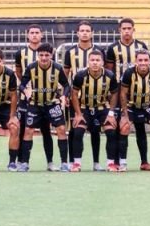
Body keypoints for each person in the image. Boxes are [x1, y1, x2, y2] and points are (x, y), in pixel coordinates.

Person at [18, 43, 71, 172]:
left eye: (46, 55)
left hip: (52, 104)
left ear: (51, 55)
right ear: (38, 55)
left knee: (61, 129)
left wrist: (64, 96)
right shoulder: (31, 67)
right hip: (35, 104)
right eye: (41, 55)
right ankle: (25, 163)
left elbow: (66, 85)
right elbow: (22, 85)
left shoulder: (57, 68)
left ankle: (63, 163)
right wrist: (26, 91)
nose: (43, 58)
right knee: (28, 130)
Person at [61, 20, 104, 170]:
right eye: (82, 31)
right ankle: (73, 162)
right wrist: (65, 94)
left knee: (95, 131)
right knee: (74, 130)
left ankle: (96, 163)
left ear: (92, 33)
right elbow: (65, 76)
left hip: (96, 98)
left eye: (87, 30)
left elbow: (106, 73)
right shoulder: (70, 52)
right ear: (77, 33)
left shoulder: (99, 51)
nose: (85, 33)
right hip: (76, 98)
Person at [15, 24, 57, 171]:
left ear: (41, 34)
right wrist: (27, 87)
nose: (34, 35)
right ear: (27, 35)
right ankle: (21, 161)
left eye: (37, 32)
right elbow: (19, 72)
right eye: (31, 33)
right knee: (24, 129)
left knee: (46, 131)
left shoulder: (48, 51)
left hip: (45, 98)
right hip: (26, 98)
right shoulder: (20, 53)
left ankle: (50, 162)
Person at [69, 49, 120, 172]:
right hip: (84, 108)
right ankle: (76, 164)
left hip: (102, 108)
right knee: (78, 132)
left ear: (102, 62)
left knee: (111, 132)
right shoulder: (80, 76)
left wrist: (111, 113)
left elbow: (114, 94)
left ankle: (110, 164)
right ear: (88, 62)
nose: (95, 62)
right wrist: (78, 114)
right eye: (92, 60)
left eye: (97, 60)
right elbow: (74, 94)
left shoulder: (110, 75)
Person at [118, 49, 150, 170]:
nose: (143, 63)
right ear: (136, 61)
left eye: (145, 60)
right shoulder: (128, 73)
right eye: (140, 60)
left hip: (148, 105)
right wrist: (125, 115)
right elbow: (123, 94)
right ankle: (123, 164)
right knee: (124, 127)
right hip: (132, 105)